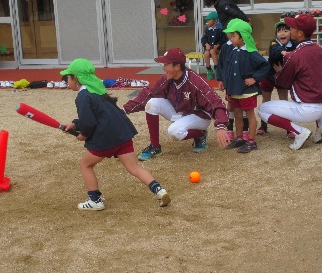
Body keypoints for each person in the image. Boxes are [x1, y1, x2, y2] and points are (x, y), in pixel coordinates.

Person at [60, 58, 170, 211]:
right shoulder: (98, 89)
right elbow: (99, 115)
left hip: (107, 138)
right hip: (122, 134)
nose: (67, 81)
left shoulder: (83, 96)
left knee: (86, 164)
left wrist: (83, 135)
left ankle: (95, 200)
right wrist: (75, 124)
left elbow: (89, 123)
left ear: (76, 78)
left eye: (68, 77)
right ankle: (159, 190)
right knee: (134, 167)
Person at [123, 48, 230, 160]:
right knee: (151, 103)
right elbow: (148, 94)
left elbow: (217, 103)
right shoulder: (167, 78)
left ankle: (200, 133)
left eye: (166, 64)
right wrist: (124, 111)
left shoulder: (195, 82)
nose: (163, 68)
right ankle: (155, 147)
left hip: (199, 116)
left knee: (174, 132)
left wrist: (221, 126)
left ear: (177, 66)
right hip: (180, 113)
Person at [257, 14, 322, 151]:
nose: (289, 30)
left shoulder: (294, 55)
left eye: (292, 28)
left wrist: (280, 71)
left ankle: (299, 132)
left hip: (308, 109)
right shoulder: (319, 50)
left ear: (300, 33)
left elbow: (283, 83)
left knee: (262, 110)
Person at [220, 19, 270, 153]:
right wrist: (227, 86)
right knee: (237, 113)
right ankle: (240, 138)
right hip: (235, 89)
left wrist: (255, 79)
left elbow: (265, 66)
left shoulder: (251, 52)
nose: (231, 38)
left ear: (243, 37)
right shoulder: (233, 51)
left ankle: (251, 141)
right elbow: (229, 70)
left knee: (249, 114)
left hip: (247, 91)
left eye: (234, 36)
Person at [257, 19, 298, 137]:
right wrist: (284, 53)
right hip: (269, 75)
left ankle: (289, 127)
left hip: (283, 76)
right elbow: (275, 52)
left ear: (291, 32)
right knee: (265, 99)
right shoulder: (273, 43)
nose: (283, 34)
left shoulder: (294, 44)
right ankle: (263, 125)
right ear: (276, 34)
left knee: (284, 101)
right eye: (279, 32)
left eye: (286, 31)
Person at [201, 11, 227, 80]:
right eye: (207, 20)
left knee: (212, 51)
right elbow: (204, 39)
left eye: (209, 20)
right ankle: (209, 69)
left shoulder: (220, 29)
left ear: (215, 21)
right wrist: (206, 44)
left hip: (218, 49)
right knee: (206, 53)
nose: (207, 22)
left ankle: (217, 69)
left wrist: (218, 45)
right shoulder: (208, 30)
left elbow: (224, 39)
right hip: (209, 49)